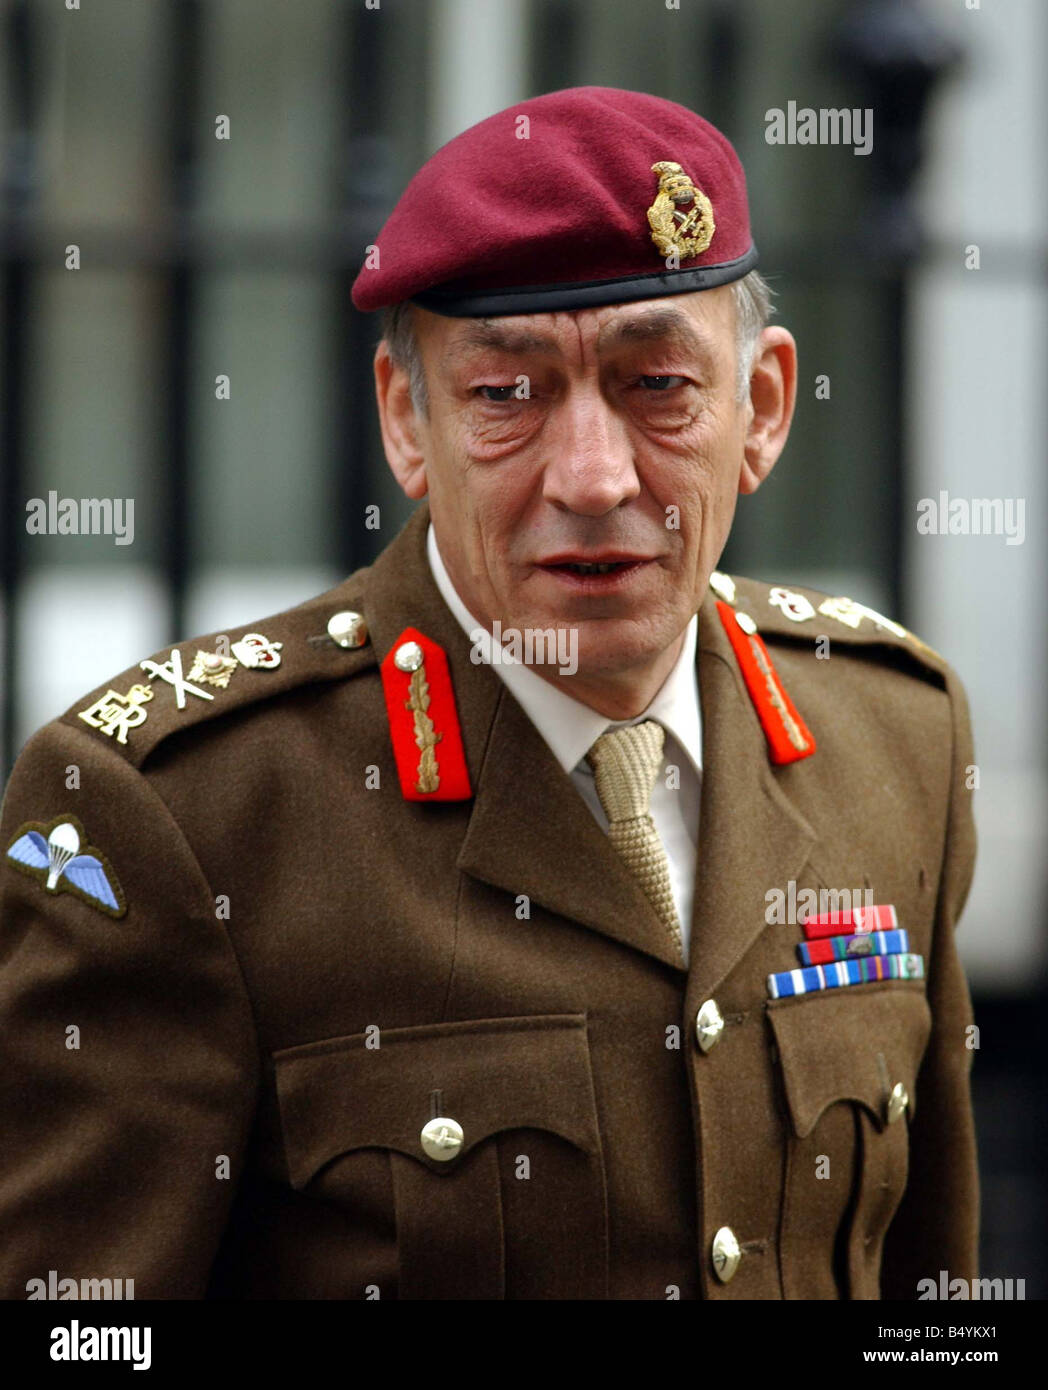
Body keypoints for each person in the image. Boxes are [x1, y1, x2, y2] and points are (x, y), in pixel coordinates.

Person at [0, 86, 978, 1301]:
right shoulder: (184, 811)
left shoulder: (895, 732)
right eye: (504, 395)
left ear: (763, 409)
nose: (592, 475)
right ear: (408, 423)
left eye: (658, 384)